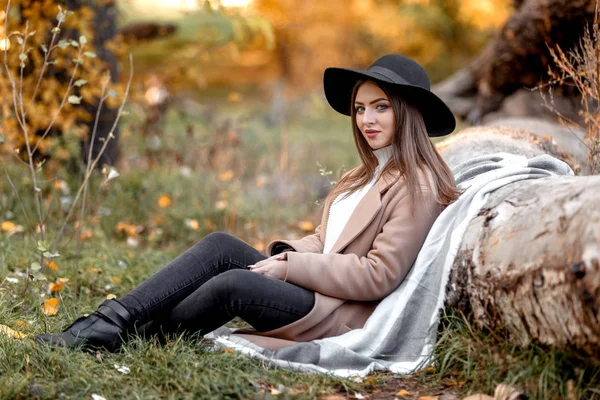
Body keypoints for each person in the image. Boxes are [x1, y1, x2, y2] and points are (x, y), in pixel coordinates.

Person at [35, 54, 459, 352]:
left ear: (408, 113)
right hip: (316, 286)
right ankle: (111, 322)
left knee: (233, 284)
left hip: (338, 312)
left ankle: (131, 335)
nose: (366, 119)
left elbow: (378, 275)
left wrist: (289, 268)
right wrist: (287, 256)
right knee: (222, 246)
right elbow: (327, 240)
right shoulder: (360, 175)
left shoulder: (416, 184)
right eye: (361, 108)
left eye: (381, 108)